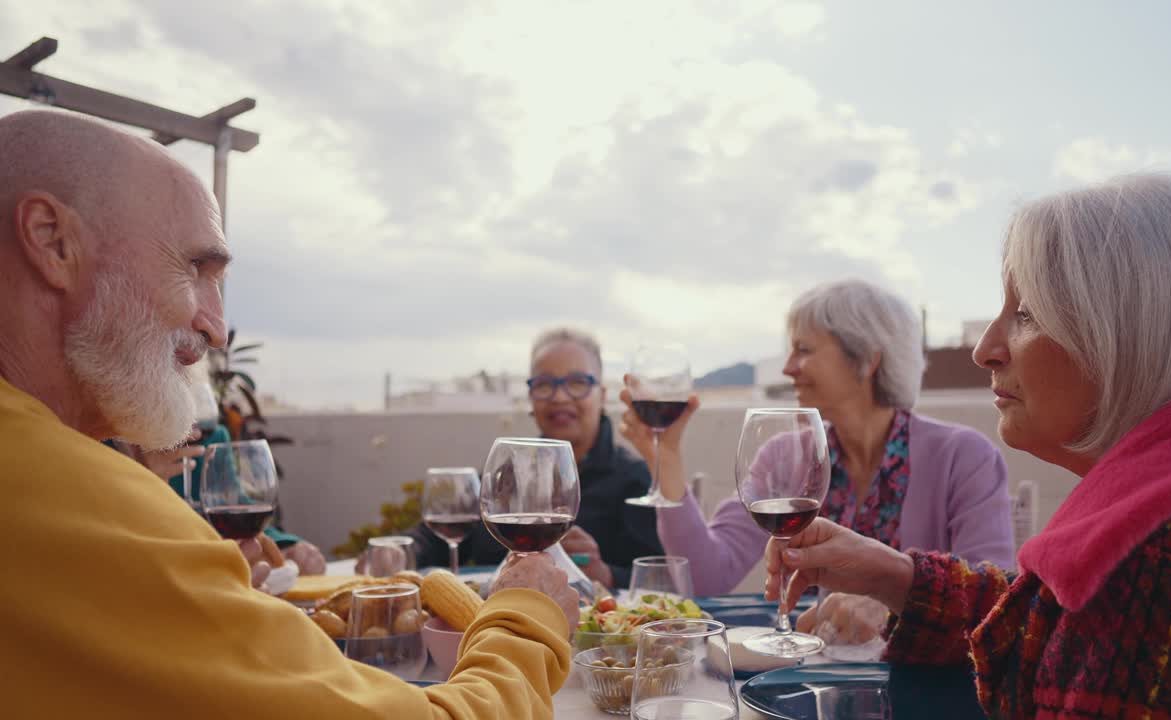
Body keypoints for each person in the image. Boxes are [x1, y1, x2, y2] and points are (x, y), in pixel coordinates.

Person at [0, 109, 577, 720]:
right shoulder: (70, 500)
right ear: (51, 240)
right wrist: (523, 622)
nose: (216, 328)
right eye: (195, 269)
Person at [765, 174, 1171, 718]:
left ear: (1135, 332)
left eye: (1026, 312)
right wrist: (900, 579)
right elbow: (1056, 633)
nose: (986, 349)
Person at [620, 279, 1015, 605]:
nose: (788, 367)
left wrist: (894, 609)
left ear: (867, 358)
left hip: (923, 686)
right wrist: (667, 459)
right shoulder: (783, 456)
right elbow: (707, 578)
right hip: (814, 679)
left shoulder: (963, 457)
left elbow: (992, 598)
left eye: (803, 350)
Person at [410, 328, 664, 589]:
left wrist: (605, 574)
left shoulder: (634, 480)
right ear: (531, 398)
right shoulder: (506, 473)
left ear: (602, 395)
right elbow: (435, 540)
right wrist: (399, 552)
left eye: (577, 382)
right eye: (544, 384)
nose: (560, 397)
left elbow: (662, 579)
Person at [139, 425, 328, 575]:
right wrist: (139, 479)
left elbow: (239, 510)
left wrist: (285, 546)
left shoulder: (210, 437)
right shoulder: (111, 449)